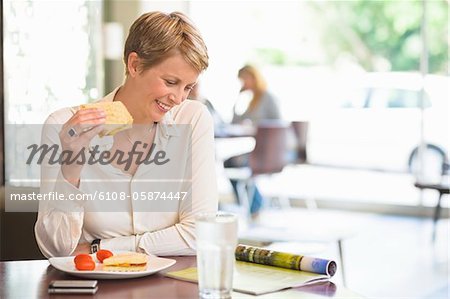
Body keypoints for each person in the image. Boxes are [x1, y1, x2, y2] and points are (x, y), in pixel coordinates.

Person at [34, 11, 217, 257]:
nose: (179, 98)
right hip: (96, 288)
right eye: (171, 82)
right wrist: (71, 168)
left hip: (173, 285)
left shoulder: (193, 120)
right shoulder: (63, 126)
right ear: (135, 65)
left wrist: (100, 247)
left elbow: (201, 234)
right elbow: (56, 249)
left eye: (188, 87)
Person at [225, 65, 281, 217]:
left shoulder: (267, 97)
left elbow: (279, 125)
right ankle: (253, 205)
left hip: (269, 153)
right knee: (229, 162)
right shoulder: (252, 99)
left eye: (244, 80)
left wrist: (258, 127)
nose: (243, 83)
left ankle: (254, 205)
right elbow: (235, 122)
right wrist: (237, 99)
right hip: (258, 150)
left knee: (234, 162)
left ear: (253, 78)